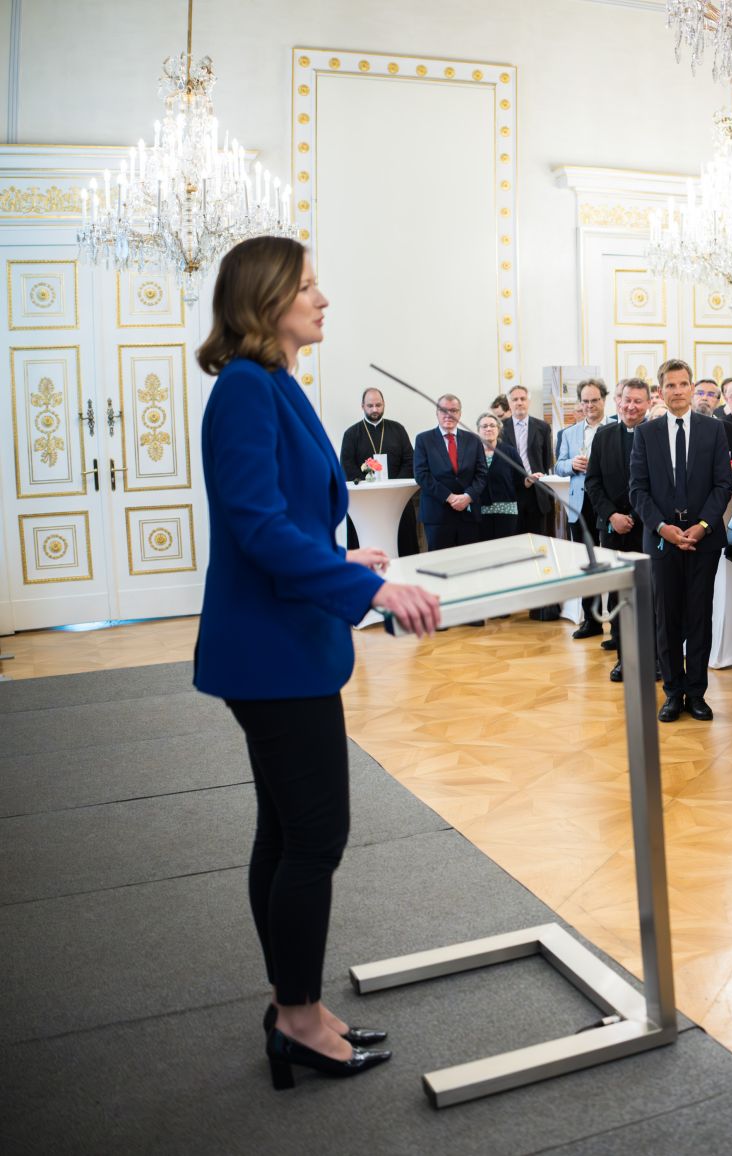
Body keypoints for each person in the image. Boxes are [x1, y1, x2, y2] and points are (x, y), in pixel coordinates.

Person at [194, 235, 438, 1090]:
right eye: (307, 287)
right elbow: (254, 528)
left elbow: (290, 518)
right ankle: (297, 1018)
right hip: (271, 651)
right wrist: (368, 594)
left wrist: (346, 559)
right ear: (266, 302)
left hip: (287, 642)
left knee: (287, 831)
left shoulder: (276, 385)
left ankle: (294, 1001)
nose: (323, 298)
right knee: (317, 837)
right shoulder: (243, 391)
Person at [627, 359, 732, 722]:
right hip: (661, 540)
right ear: (660, 391)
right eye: (669, 385)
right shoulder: (646, 433)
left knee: (700, 616)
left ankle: (697, 692)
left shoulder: (713, 430)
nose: (677, 391)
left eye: (683, 384)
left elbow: (723, 484)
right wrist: (662, 528)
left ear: (692, 388)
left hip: (703, 538)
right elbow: (638, 490)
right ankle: (672, 692)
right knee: (666, 618)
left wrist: (703, 525)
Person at [584, 378, 654, 681]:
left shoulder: (656, 435)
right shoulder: (603, 435)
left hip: (648, 528)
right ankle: (625, 659)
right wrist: (612, 515)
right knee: (617, 596)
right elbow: (593, 481)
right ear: (617, 401)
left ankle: (653, 660)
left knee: (649, 596)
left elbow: (658, 484)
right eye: (627, 400)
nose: (631, 406)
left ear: (648, 403)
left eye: (638, 401)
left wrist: (635, 516)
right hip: (612, 529)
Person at [554, 379, 609, 639]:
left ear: (604, 400)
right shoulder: (568, 433)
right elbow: (559, 466)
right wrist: (572, 464)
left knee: (610, 561)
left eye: (594, 400)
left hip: (608, 504)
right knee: (586, 562)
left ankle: (618, 625)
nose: (589, 405)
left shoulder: (615, 428)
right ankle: (591, 620)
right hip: (580, 505)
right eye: (585, 401)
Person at [338, 386, 417, 555]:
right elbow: (346, 465)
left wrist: (394, 484)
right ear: (362, 406)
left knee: (403, 547)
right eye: (370, 406)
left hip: (397, 497)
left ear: (384, 405)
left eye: (378, 405)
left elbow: (410, 460)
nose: (375, 409)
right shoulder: (352, 434)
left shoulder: (398, 429)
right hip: (366, 501)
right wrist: (370, 484)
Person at [413, 393, 488, 549]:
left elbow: (482, 474)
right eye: (443, 410)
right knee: (441, 564)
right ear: (437, 413)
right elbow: (421, 475)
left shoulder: (473, 440)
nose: (448, 414)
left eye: (453, 410)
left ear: (460, 414)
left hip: (468, 514)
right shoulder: (423, 439)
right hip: (437, 515)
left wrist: (468, 496)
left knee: (469, 563)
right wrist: (449, 497)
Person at [501, 385, 554, 538]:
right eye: (515, 399)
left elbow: (546, 460)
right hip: (511, 490)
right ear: (509, 403)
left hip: (536, 492)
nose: (519, 402)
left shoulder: (542, 427)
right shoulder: (501, 427)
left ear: (528, 401)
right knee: (514, 539)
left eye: (523, 399)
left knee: (539, 540)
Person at [474, 412, 525, 540]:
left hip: (507, 510)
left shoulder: (510, 451)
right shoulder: (472, 452)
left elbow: (521, 480)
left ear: (498, 429)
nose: (488, 429)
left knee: (506, 551)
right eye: (484, 426)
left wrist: (530, 479)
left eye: (492, 425)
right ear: (478, 430)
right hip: (480, 511)